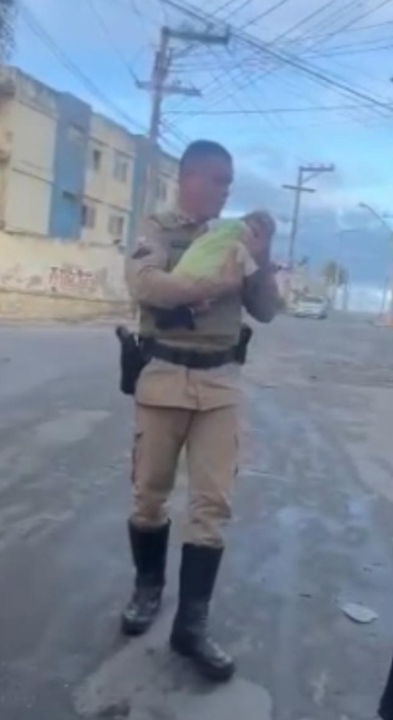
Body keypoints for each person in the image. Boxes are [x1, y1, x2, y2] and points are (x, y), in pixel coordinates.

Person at [120, 139, 282, 682]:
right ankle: (147, 591)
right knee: (149, 495)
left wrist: (260, 260)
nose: (225, 190)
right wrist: (216, 283)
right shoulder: (157, 228)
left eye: (230, 182)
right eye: (217, 179)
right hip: (164, 378)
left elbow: (266, 310)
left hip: (219, 385)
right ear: (188, 179)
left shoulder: (235, 239)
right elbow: (148, 286)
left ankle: (192, 625)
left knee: (213, 505)